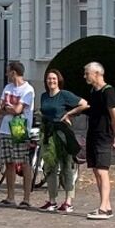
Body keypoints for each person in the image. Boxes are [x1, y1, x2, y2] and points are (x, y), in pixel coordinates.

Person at [37, 68, 87, 213]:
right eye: (48, 79)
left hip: (63, 133)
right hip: (48, 133)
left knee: (66, 166)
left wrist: (69, 114)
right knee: (50, 166)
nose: (51, 81)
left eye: (53, 78)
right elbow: (44, 112)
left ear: (58, 80)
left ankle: (68, 201)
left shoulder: (64, 95)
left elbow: (84, 103)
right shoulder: (44, 96)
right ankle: (52, 200)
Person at [81, 61, 115, 220]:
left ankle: (103, 208)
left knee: (103, 170)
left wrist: (114, 138)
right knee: (97, 170)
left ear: (96, 74)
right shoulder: (94, 91)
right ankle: (107, 205)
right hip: (93, 134)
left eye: (87, 73)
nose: (85, 76)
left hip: (104, 136)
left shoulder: (108, 92)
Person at [0, 61, 36, 208]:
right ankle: (10, 196)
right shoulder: (8, 88)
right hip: (6, 127)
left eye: (8, 71)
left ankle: (26, 198)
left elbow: (18, 110)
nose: (6, 74)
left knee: (24, 162)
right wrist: (8, 108)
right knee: (9, 162)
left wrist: (8, 108)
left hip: (20, 127)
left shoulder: (28, 89)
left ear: (14, 73)